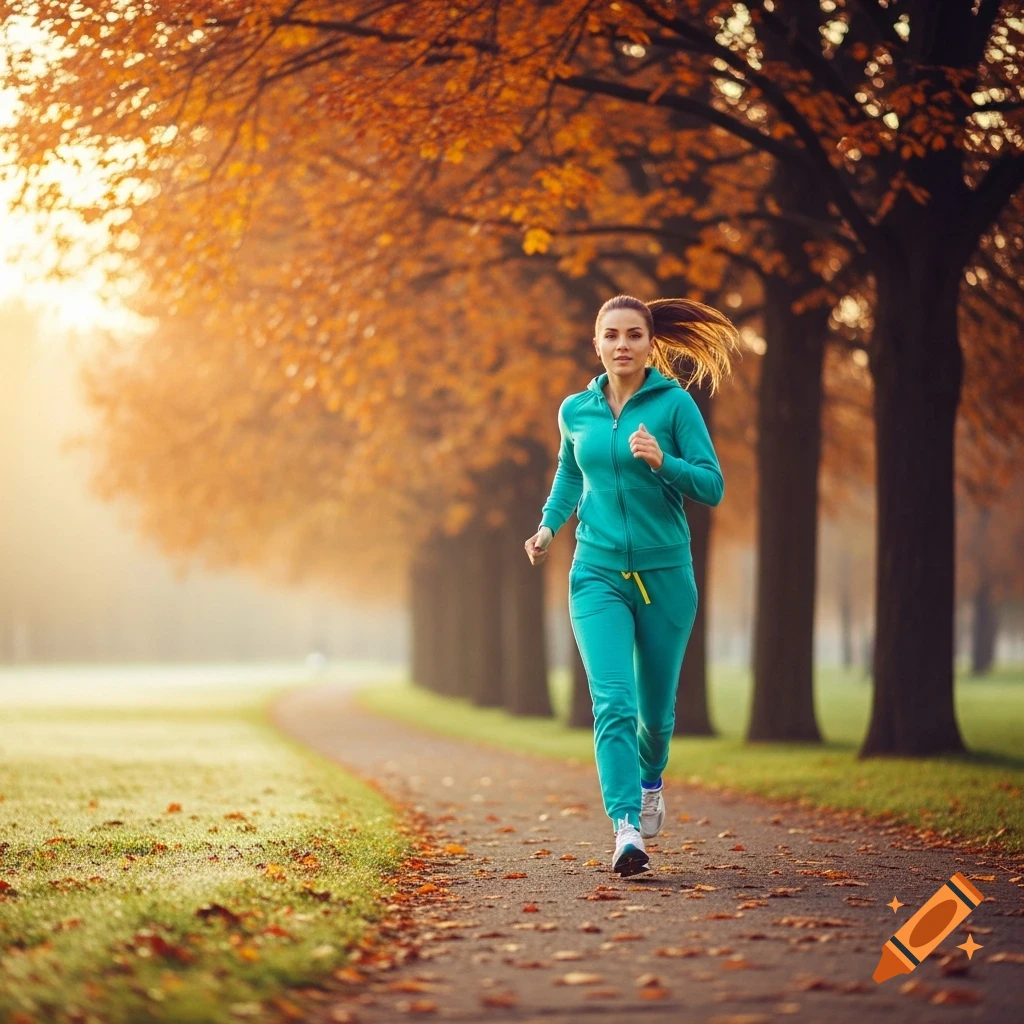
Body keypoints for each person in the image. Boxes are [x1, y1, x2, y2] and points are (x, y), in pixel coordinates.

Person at [524, 294, 736, 876]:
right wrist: (547, 528)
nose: (623, 344)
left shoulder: (675, 406)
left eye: (634, 335)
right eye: (612, 335)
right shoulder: (576, 410)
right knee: (613, 701)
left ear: (650, 343)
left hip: (666, 575)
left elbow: (712, 487)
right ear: (596, 343)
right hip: (595, 573)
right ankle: (624, 829)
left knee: (656, 716)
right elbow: (570, 475)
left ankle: (649, 782)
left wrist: (662, 460)